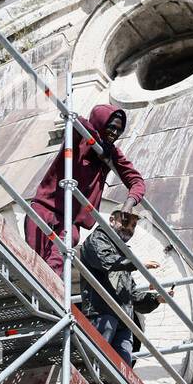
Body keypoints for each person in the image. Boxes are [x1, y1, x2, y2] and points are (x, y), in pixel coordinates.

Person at [25, 104, 146, 276]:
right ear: (101, 122)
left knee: (56, 264)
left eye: (119, 130)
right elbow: (77, 120)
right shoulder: (79, 138)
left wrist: (129, 203)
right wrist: (97, 142)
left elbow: (137, 181)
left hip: (71, 222)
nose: (114, 133)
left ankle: (51, 296)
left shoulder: (112, 153)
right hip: (45, 209)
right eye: (111, 127)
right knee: (33, 263)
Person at [79, 209, 165, 368]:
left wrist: (156, 299)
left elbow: (130, 294)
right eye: (125, 222)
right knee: (95, 363)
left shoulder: (122, 254)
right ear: (112, 219)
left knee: (123, 372)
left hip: (123, 321)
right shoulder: (97, 239)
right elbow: (106, 261)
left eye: (133, 225)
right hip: (102, 315)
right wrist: (138, 264)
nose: (129, 228)